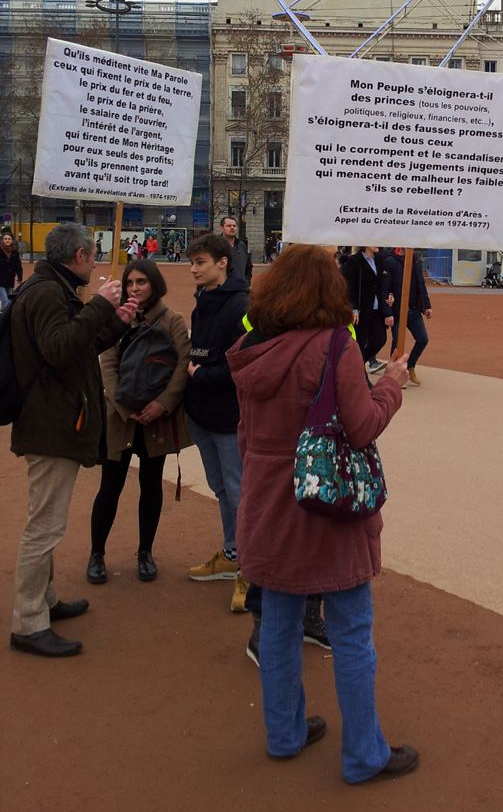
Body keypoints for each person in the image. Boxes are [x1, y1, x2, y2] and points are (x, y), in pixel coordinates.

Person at [226, 244, 419, 785]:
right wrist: (391, 387)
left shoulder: (248, 348)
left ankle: (284, 732)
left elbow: (245, 438)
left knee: (280, 627)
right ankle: (365, 754)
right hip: (327, 503)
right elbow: (360, 427)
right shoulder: (337, 344)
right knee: (353, 629)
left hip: (268, 499)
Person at [9, 223, 138, 658]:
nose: (96, 262)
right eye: (93, 255)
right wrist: (101, 305)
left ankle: (42, 600)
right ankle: (28, 620)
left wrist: (114, 323)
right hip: (51, 423)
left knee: (45, 522)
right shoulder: (47, 291)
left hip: (55, 419)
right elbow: (61, 348)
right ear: (79, 256)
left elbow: (75, 348)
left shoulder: (51, 287)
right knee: (43, 527)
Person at [87, 260, 193, 585]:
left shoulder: (173, 320)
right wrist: (122, 406)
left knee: (151, 486)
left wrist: (162, 405)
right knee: (110, 487)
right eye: (130, 282)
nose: (135, 288)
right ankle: (97, 554)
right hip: (121, 420)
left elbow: (182, 365)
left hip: (154, 421)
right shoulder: (118, 318)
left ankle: (145, 552)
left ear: (155, 284)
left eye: (142, 282)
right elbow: (107, 364)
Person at [184, 234, 250, 612]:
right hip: (202, 414)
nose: (194, 268)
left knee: (240, 492)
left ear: (222, 262)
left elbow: (246, 362)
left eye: (201, 262)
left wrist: (202, 376)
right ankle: (232, 552)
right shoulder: (201, 300)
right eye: (192, 262)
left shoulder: (242, 304)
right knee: (222, 489)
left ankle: (250, 568)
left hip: (228, 416)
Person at [381, 247, 433, 385]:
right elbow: (384, 288)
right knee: (397, 343)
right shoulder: (390, 261)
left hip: (414, 309)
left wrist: (426, 305)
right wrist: (387, 312)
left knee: (422, 339)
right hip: (398, 310)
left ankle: (410, 366)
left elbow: (421, 283)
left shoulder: (415, 259)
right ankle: (394, 376)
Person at [340, 246, 388, 373]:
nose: (378, 245)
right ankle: (362, 376)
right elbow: (349, 286)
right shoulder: (354, 261)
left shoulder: (378, 259)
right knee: (360, 342)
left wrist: (390, 295)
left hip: (377, 307)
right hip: (361, 309)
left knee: (380, 339)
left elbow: (381, 283)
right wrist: (354, 309)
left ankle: (355, 364)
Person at [220, 217, 253, 284]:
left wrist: (246, 282)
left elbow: (248, 267)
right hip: (221, 291)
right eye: (229, 226)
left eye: (234, 226)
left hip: (240, 291)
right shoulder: (214, 246)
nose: (232, 228)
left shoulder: (242, 246)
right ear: (221, 229)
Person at [0, 230, 23, 311]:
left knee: (10, 300)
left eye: (9, 239)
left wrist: (19, 277)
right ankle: (3, 318)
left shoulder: (15, 253)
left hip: (10, 279)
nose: (7, 240)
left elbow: (18, 266)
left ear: (12, 241)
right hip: (0, 279)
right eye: (5, 239)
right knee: (5, 300)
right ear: (2, 240)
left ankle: (7, 317)